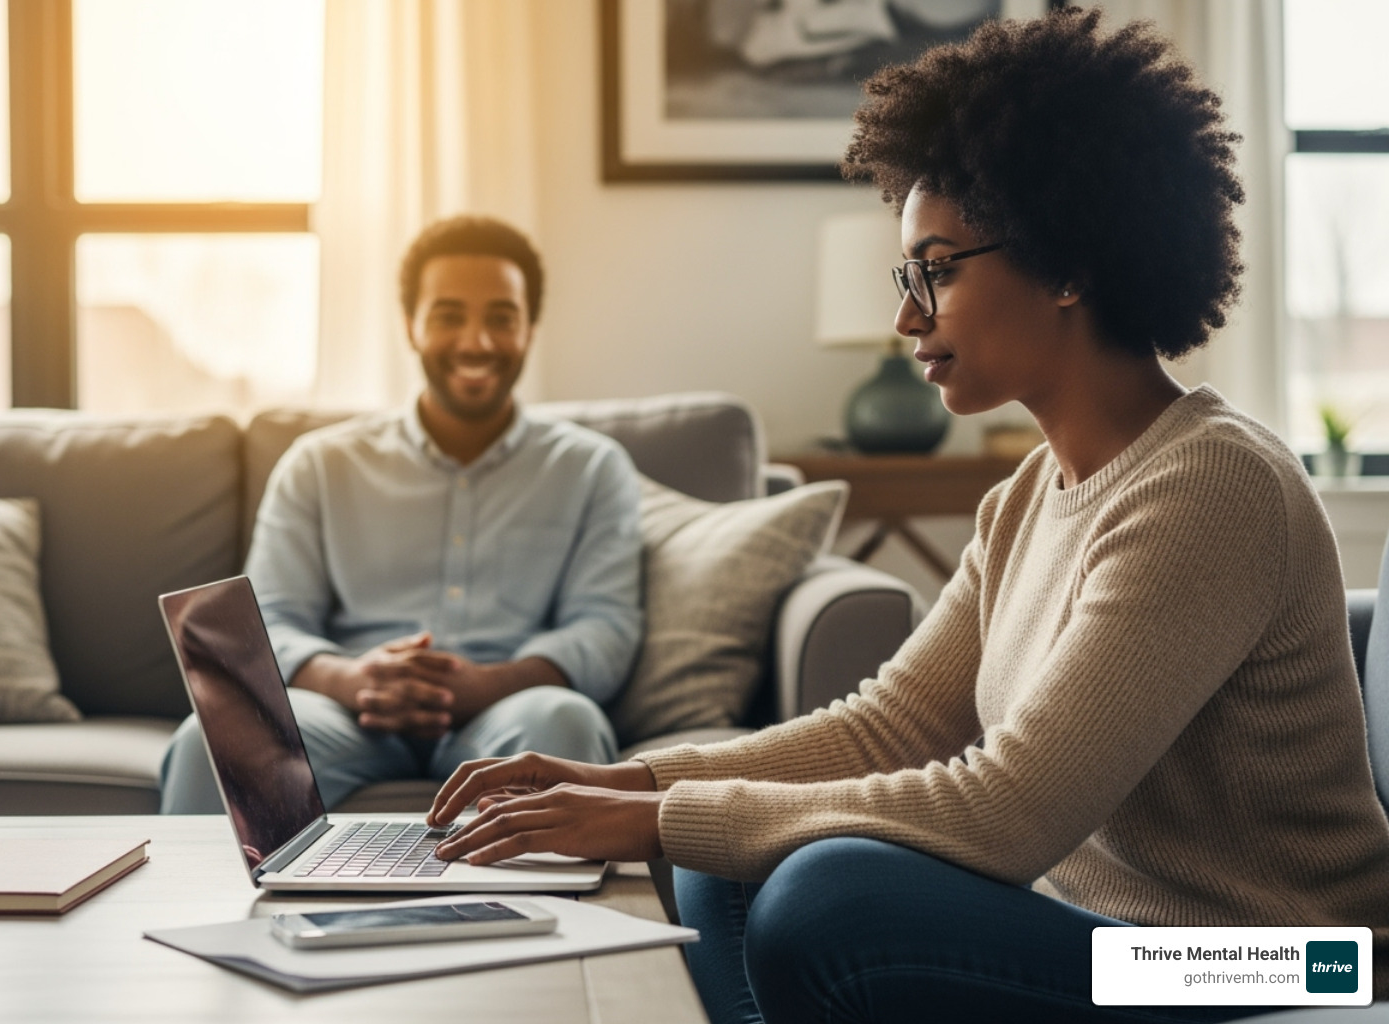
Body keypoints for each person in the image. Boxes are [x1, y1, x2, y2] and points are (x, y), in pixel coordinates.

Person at [424, 9, 1389, 1022]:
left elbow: (1006, 810)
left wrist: (659, 818)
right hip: (1115, 943)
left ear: (1069, 266)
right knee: (729, 860)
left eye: (938, 268)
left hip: (1282, 961)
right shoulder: (1027, 498)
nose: (907, 316)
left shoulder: (1211, 487)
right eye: (907, 275)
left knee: (818, 893)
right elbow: (889, 726)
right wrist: (626, 783)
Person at [160, 215, 643, 813]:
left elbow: (607, 628)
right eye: (448, 316)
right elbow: (269, 623)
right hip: (347, 711)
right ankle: (199, 911)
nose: (477, 342)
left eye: (501, 318)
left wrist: (489, 684)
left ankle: (560, 913)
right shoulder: (320, 464)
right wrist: (352, 680)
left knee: (566, 719)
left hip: (511, 709)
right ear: (411, 327)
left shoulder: (593, 468)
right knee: (215, 737)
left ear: (530, 329)